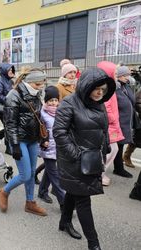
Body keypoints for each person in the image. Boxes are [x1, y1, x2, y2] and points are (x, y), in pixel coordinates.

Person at [53, 67, 115, 250]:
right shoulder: (69, 103)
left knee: (75, 191)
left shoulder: (99, 102)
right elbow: (59, 132)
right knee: (83, 199)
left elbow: (103, 128)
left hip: (92, 159)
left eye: (103, 89)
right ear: (87, 86)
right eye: (97, 88)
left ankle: (64, 222)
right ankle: (93, 244)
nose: (100, 92)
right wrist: (76, 155)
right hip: (75, 160)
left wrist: (107, 145)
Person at [0, 68, 47, 216]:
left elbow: (39, 117)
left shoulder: (36, 93)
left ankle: (30, 202)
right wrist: (15, 146)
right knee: (25, 175)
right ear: (30, 82)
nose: (41, 87)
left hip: (32, 139)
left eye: (42, 84)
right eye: (38, 84)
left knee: (31, 173)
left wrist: (43, 137)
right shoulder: (13, 96)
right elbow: (10, 123)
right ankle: (4, 192)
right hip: (19, 140)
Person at [37, 86, 65, 209]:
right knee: (55, 175)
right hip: (47, 148)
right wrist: (43, 141)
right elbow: (38, 130)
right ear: (46, 101)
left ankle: (42, 192)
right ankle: (64, 202)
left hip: (58, 146)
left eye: (56, 100)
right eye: (51, 100)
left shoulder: (60, 111)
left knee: (49, 172)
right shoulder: (41, 113)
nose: (54, 103)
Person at [97, 61, 124, 186]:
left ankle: (100, 173)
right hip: (109, 125)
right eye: (115, 72)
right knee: (111, 150)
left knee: (112, 150)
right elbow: (105, 106)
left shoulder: (110, 86)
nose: (117, 74)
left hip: (112, 124)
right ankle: (99, 174)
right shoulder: (105, 88)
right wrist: (112, 118)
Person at [113, 66, 134, 178]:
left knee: (119, 146)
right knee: (117, 146)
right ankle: (118, 168)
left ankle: (118, 167)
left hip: (125, 121)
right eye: (126, 75)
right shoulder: (115, 88)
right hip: (118, 122)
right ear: (119, 75)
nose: (128, 77)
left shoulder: (125, 87)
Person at [0, 63, 15, 154]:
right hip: (2, 108)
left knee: (9, 126)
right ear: (5, 71)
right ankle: (8, 147)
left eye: (12, 70)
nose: (11, 72)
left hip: (10, 107)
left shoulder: (11, 81)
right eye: (9, 70)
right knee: (8, 126)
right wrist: (10, 101)